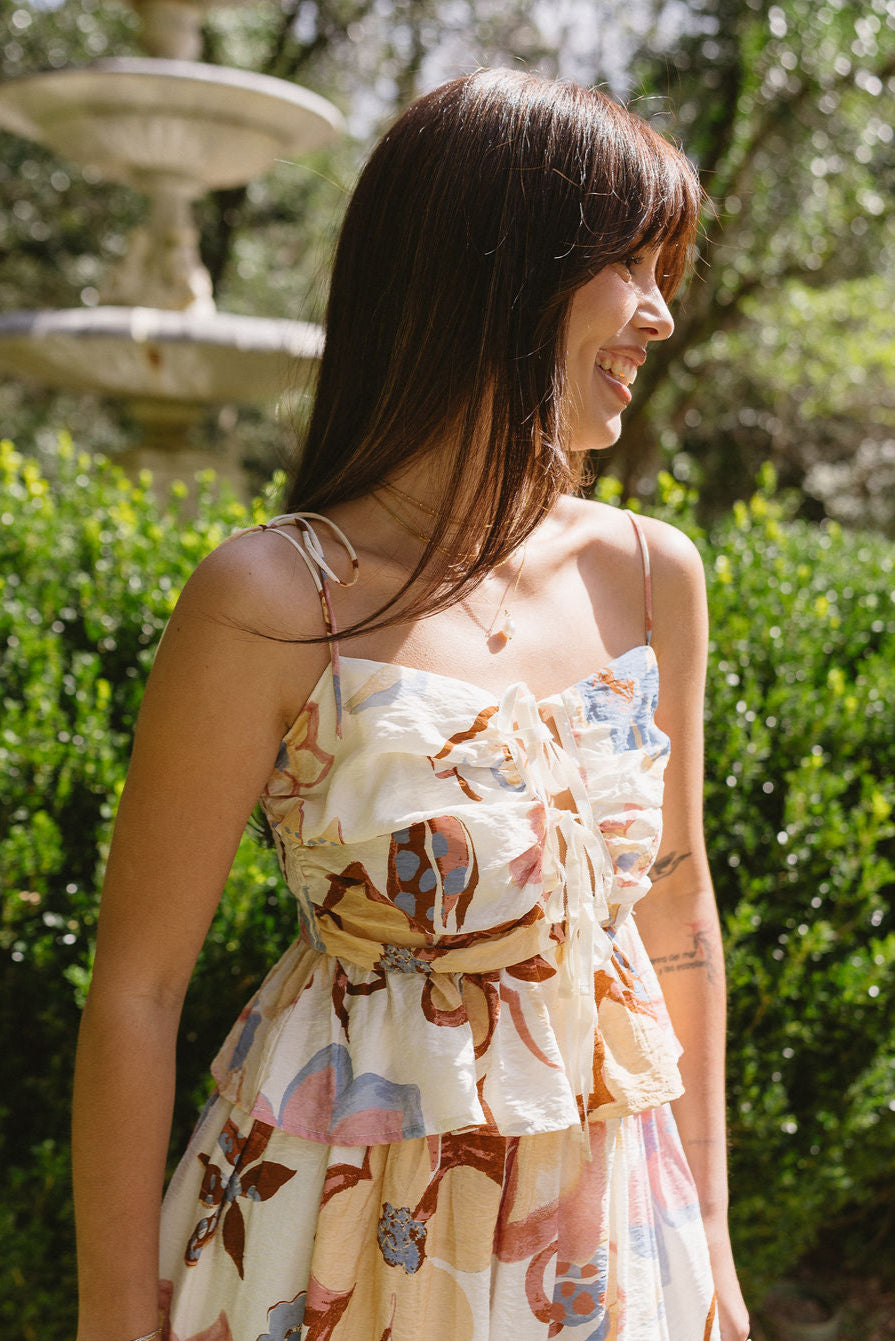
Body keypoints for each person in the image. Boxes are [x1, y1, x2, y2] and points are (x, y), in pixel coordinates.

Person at [73, 68, 751, 1341]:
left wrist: (709, 1234)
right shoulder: (272, 595)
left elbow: (675, 912)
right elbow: (136, 992)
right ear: (502, 273)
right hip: (325, 1245)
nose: (661, 316)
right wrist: (115, 1314)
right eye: (633, 267)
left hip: (606, 1241)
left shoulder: (653, 573)